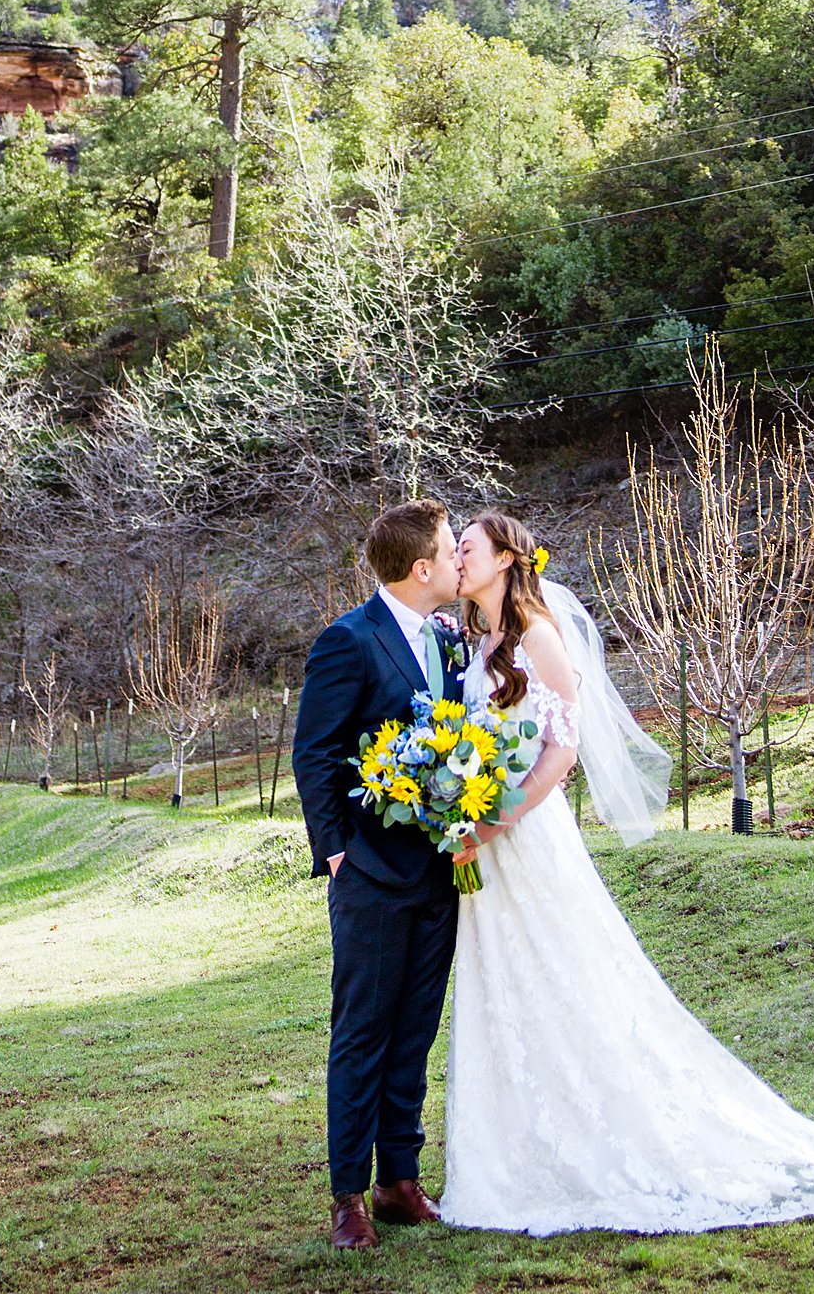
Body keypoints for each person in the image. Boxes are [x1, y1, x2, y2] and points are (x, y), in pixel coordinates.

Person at [443, 509, 814, 1234]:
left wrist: (494, 818)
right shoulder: (477, 640)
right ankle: (518, 1149)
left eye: (464, 548)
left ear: (504, 559)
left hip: (526, 836)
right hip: (484, 843)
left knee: (568, 973)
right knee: (505, 982)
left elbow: (560, 757)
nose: (455, 559)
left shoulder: (538, 639)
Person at [291, 496, 469, 1251]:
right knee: (361, 1033)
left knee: (416, 1032)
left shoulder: (451, 642)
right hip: (368, 873)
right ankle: (348, 1197)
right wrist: (337, 854)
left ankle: (401, 1180)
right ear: (421, 567)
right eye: (453, 546)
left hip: (440, 873)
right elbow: (315, 754)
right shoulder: (348, 640)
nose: (462, 556)